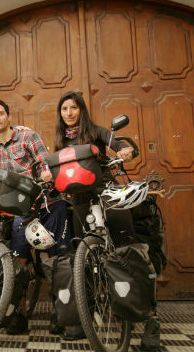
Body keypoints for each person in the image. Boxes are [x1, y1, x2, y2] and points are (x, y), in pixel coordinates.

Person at [54, 91, 160, 351]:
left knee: (129, 252)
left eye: (73, 108)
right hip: (80, 200)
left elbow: (121, 145)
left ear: (81, 110)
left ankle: (151, 318)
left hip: (107, 192)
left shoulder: (97, 132)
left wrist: (125, 150)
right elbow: (56, 167)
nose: (69, 113)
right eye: (64, 109)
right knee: (83, 259)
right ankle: (85, 315)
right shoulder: (59, 141)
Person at [0, 99, 70, 335]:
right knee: (18, 262)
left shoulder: (28, 137)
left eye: (0, 113)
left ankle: (63, 312)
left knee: (59, 257)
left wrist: (46, 173)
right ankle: (19, 312)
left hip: (46, 203)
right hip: (21, 212)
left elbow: (44, 162)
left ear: (8, 116)